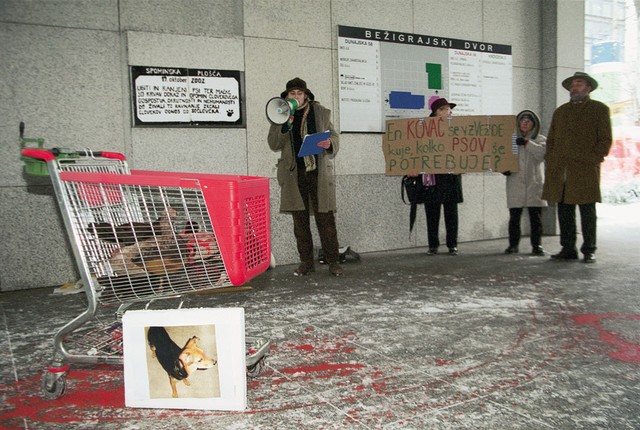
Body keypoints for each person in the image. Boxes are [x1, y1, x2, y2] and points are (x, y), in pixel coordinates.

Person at [267, 77, 344, 276]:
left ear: (306, 96)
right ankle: (306, 263)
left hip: (318, 174)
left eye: (299, 93)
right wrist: (286, 124)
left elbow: (334, 136)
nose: (296, 97)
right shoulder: (280, 115)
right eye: (292, 94)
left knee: (325, 220)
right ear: (286, 97)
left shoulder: (319, 112)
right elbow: (274, 144)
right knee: (300, 223)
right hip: (295, 176)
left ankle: (333, 261)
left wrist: (329, 144)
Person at [542, 72, 612, 263]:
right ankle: (568, 248)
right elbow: (552, 139)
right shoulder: (561, 111)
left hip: (585, 168)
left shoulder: (599, 109)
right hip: (561, 169)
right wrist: (551, 159)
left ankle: (589, 249)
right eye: (572, 85)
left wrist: (594, 159)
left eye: (579, 84)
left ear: (588, 88)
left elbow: (605, 140)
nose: (574, 88)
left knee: (587, 211)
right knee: (565, 211)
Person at [504, 110, 547, 255]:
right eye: (523, 119)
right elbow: (501, 156)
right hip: (515, 182)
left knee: (536, 217)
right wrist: (504, 168)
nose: (525, 122)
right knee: (514, 216)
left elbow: (542, 154)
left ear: (534, 124)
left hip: (534, 183)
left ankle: (537, 246)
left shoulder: (540, 139)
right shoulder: (510, 139)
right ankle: (513, 245)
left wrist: (528, 143)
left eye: (529, 120)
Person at [424, 97, 463, 256]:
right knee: (432, 213)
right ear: (437, 111)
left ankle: (452, 244)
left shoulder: (456, 128)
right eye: (446, 109)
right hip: (432, 177)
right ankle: (433, 245)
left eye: (449, 109)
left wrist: (462, 166)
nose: (450, 112)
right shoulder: (424, 128)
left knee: (451, 213)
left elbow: (464, 150)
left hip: (451, 177)